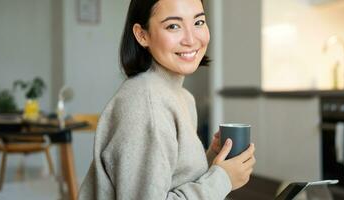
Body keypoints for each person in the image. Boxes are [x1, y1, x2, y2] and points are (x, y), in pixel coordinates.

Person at [78, 0, 256, 199]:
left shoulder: (182, 97)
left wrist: (212, 161)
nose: (191, 39)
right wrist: (222, 179)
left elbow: (170, 179)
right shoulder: (146, 103)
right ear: (142, 35)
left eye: (198, 22)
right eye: (173, 26)